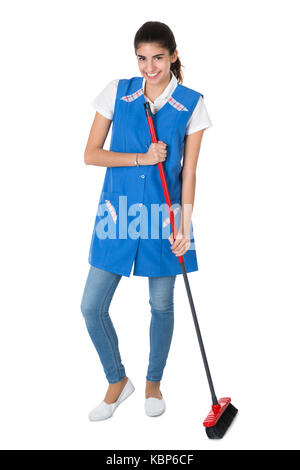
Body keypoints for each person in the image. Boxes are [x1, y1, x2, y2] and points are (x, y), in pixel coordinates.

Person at [80, 21, 212, 421]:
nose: (149, 67)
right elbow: (91, 153)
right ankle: (118, 381)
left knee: (161, 304)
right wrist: (142, 157)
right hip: (117, 214)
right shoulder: (118, 93)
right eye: (142, 58)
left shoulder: (192, 103)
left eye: (157, 57)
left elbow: (188, 172)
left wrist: (185, 226)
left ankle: (153, 383)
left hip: (163, 217)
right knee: (91, 307)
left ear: (173, 55)